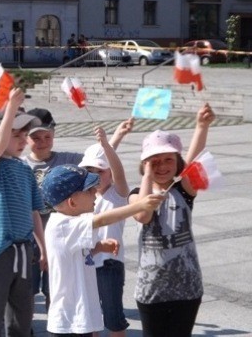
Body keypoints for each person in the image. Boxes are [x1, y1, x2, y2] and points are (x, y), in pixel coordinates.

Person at [22, 108, 133, 309]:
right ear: (25, 138)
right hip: (33, 231)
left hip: (67, 228)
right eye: (35, 137)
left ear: (54, 135)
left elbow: (99, 161)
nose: (42, 142)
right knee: (28, 287)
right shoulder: (21, 165)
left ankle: (55, 313)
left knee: (54, 285)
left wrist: (114, 138)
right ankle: (26, 325)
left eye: (47, 136)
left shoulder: (67, 160)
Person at [41, 165, 163, 336]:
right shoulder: (62, 225)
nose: (95, 192)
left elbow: (75, 256)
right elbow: (102, 220)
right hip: (69, 321)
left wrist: (99, 247)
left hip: (79, 318)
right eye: (89, 190)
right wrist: (139, 206)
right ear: (72, 202)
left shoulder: (70, 221)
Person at [129, 103, 215, 337]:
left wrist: (201, 126)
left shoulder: (183, 190)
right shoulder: (137, 194)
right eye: (154, 161)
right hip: (151, 288)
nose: (162, 166)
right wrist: (147, 175)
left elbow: (194, 160)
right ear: (144, 165)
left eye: (168, 159)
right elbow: (143, 215)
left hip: (187, 287)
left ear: (177, 162)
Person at [0, 89, 47, 337]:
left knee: (22, 314)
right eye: (15, 134)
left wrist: (43, 248)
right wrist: (10, 107)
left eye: (24, 135)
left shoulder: (25, 170)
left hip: (23, 249)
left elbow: (33, 211)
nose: (21, 140)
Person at [79, 129, 130, 337]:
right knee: (91, 318)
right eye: (90, 171)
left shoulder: (117, 194)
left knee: (113, 318)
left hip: (109, 263)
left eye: (100, 171)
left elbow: (117, 170)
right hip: (87, 261)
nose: (95, 176)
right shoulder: (84, 196)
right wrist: (113, 139)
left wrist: (109, 145)